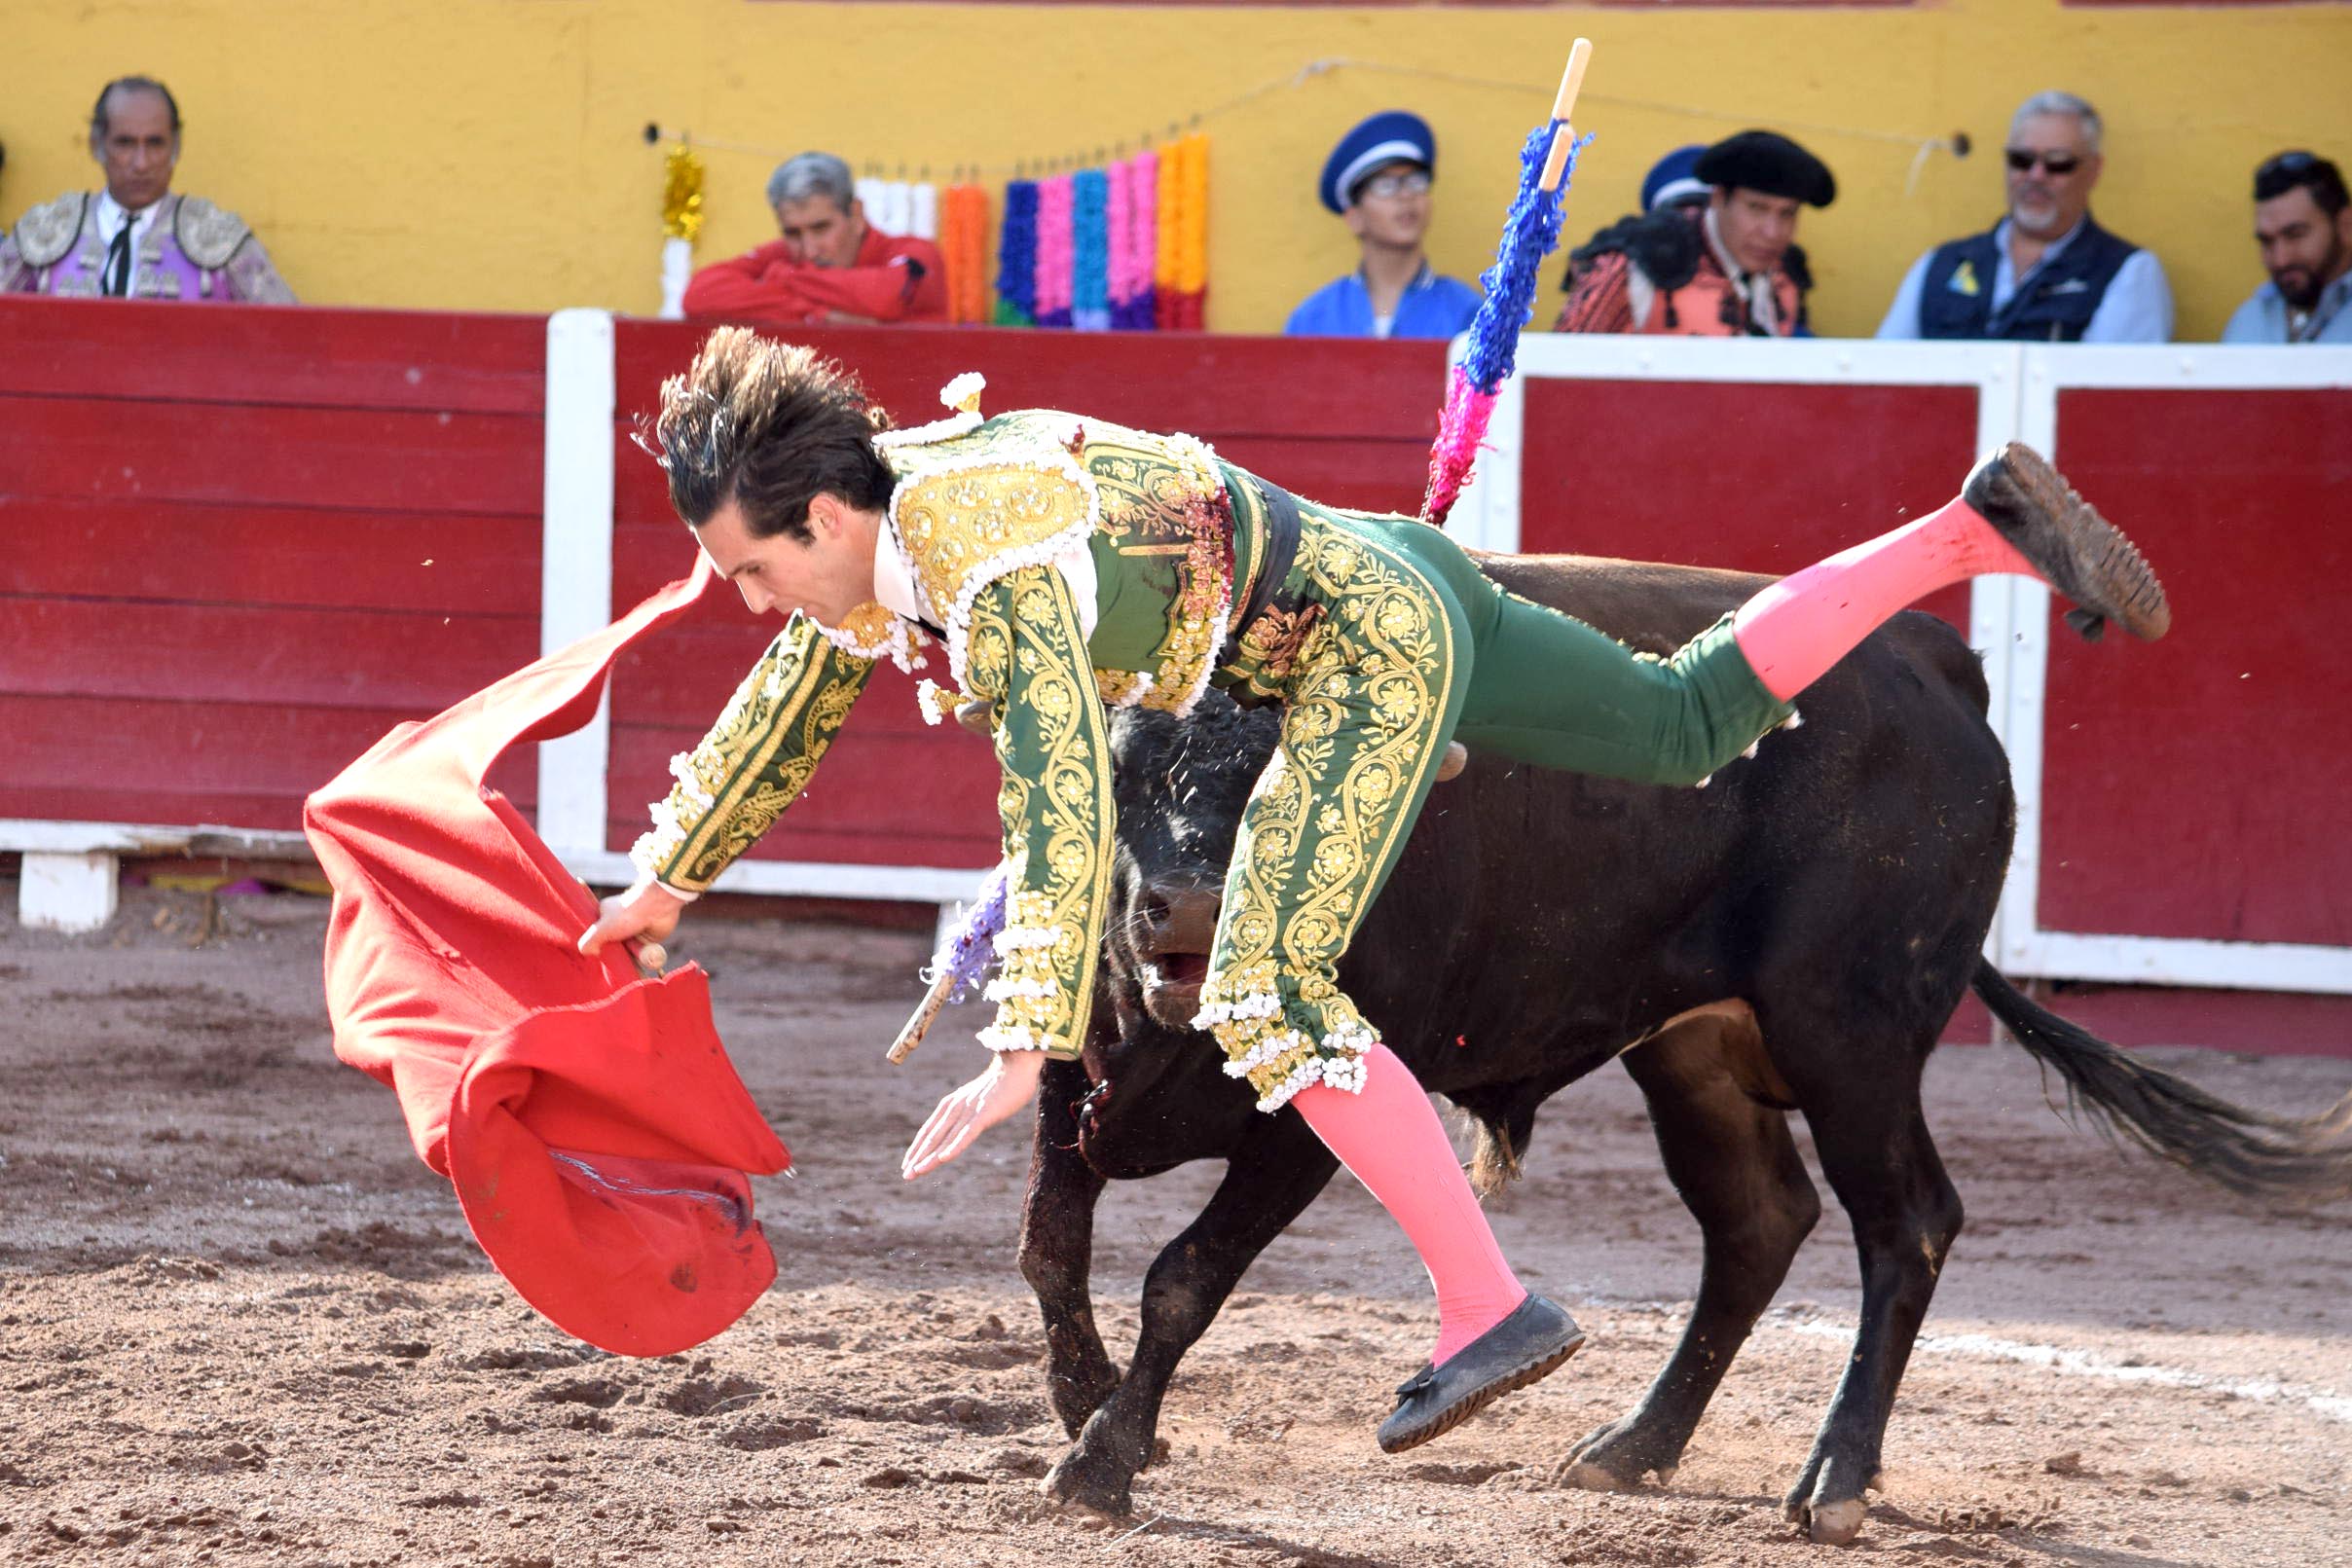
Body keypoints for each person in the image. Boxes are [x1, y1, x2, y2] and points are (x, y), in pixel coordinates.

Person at [578, 327, 2167, 1454]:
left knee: (1267, 993)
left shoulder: (978, 567)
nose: (753, 597)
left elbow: (1057, 788)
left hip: (1355, 651)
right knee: (1689, 719)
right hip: (1401, 577)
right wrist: (662, 881)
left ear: (828, 520)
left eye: (751, 566)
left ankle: (1482, 1304)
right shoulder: (911, 496)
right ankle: (1970, 528)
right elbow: (796, 688)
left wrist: (1023, 1032)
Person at [1877, 91, 2170, 343]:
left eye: (2058, 163)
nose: (2036, 176)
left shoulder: (2127, 273)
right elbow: (1881, 375)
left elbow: (2108, 399)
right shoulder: (1941, 263)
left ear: (2094, 170)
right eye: (2021, 160)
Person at [0, 76, 294, 302]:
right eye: (125, 143)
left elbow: (289, 336)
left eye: (155, 143)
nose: (141, 164)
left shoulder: (221, 241)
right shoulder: (44, 233)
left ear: (175, 146)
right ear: (96, 145)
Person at [1554, 130, 1833, 336]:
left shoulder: (1787, 272)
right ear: (1718, 197)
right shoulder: (1634, 265)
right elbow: (1560, 377)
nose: (1773, 233)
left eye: (1788, 213)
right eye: (1757, 208)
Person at [682, 151, 946, 326]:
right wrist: (815, 314)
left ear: (856, 215)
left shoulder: (916, 251)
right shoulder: (782, 253)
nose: (808, 250)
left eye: (821, 228)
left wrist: (786, 277)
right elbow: (699, 296)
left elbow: (888, 297)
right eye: (793, 233)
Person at [1286, 111, 1482, 341]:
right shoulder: (1313, 320)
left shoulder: (1468, 314)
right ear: (1354, 217)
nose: (1406, 195)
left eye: (1415, 181)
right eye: (1386, 186)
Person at [2222, 151, 2352, 346]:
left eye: (2295, 234)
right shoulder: (2250, 320)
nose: (2280, 259)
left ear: (2346, 225)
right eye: (2267, 241)